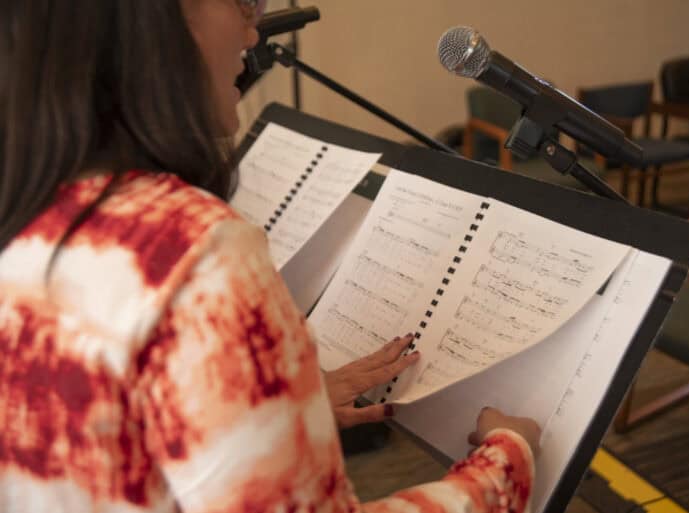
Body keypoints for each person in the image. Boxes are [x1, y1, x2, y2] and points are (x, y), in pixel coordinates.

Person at [0, 1, 540, 512]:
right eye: (240, 1)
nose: (253, 31)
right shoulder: (194, 252)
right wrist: (507, 459)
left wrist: (261, 413)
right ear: (155, 20)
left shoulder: (29, 210)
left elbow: (103, 447)